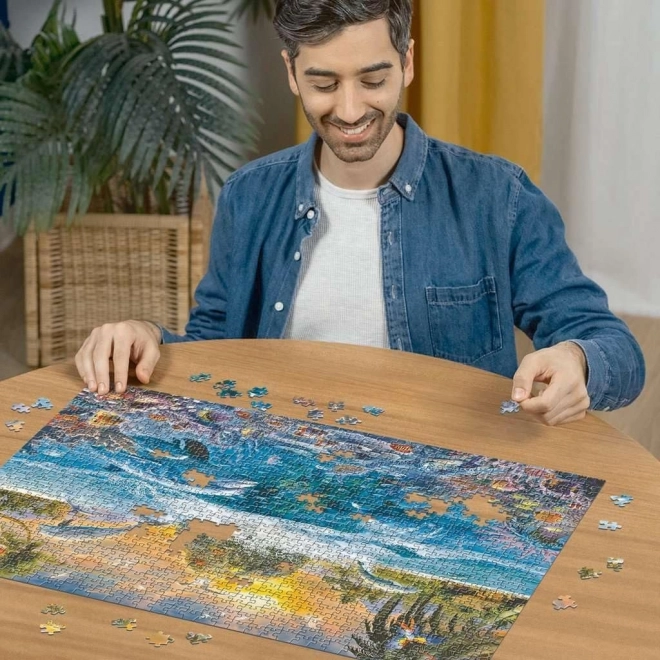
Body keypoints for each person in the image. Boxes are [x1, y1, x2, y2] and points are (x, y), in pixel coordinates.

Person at [75, 0, 645, 426]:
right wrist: (145, 336)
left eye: (373, 80)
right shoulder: (248, 195)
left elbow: (616, 349)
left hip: (447, 480)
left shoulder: (497, 196)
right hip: (279, 463)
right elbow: (213, 351)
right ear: (291, 72)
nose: (349, 111)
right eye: (324, 83)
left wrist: (578, 360)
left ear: (408, 62)